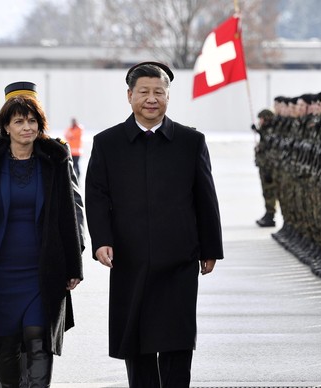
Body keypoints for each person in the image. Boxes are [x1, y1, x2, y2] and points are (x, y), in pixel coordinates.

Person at [85, 61, 224, 387]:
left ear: (168, 96)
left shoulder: (190, 141)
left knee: (177, 337)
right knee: (136, 337)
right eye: (144, 92)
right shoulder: (108, 143)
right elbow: (96, 196)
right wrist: (101, 240)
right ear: (130, 95)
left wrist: (210, 247)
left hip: (179, 257)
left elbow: (206, 197)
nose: (151, 99)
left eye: (158, 92)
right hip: (129, 258)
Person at [0, 81, 84, 388]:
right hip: (0, 271)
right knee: (6, 346)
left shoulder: (55, 157)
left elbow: (67, 212)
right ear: (6, 126)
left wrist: (74, 265)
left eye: (32, 120)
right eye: (19, 121)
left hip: (41, 268)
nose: (27, 127)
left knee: (39, 339)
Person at [252, 107, 277, 227]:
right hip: (264, 166)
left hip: (268, 168)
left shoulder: (271, 131)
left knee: (269, 191)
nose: (260, 121)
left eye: (261, 119)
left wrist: (268, 169)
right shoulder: (265, 131)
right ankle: (268, 213)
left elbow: (269, 148)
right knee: (266, 192)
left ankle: (270, 214)